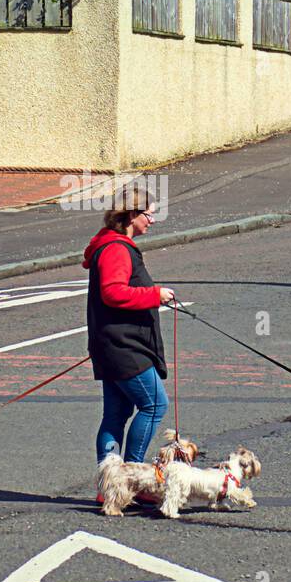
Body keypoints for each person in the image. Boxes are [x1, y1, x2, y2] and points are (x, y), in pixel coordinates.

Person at [82, 184, 176, 482]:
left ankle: (109, 485)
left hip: (113, 343)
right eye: (148, 214)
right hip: (123, 345)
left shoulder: (112, 245)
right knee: (154, 404)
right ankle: (133, 479)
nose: (152, 220)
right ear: (132, 215)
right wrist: (155, 294)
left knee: (116, 413)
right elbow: (114, 293)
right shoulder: (115, 250)